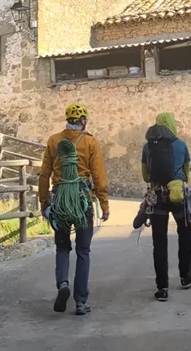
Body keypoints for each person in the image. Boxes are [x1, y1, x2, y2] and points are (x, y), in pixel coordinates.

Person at [39, 102, 110, 316]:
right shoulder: (90, 142)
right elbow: (99, 176)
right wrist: (104, 205)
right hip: (82, 202)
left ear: (67, 120)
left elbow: (44, 175)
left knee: (62, 248)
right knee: (83, 251)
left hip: (60, 202)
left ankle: (62, 284)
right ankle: (80, 302)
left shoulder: (54, 141)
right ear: (83, 120)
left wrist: (44, 203)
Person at [141, 111, 191, 302]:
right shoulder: (181, 145)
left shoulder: (148, 147)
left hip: (157, 197)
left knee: (160, 242)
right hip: (178, 195)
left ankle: (162, 287)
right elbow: (187, 171)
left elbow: (145, 175)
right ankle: (185, 276)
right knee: (185, 235)